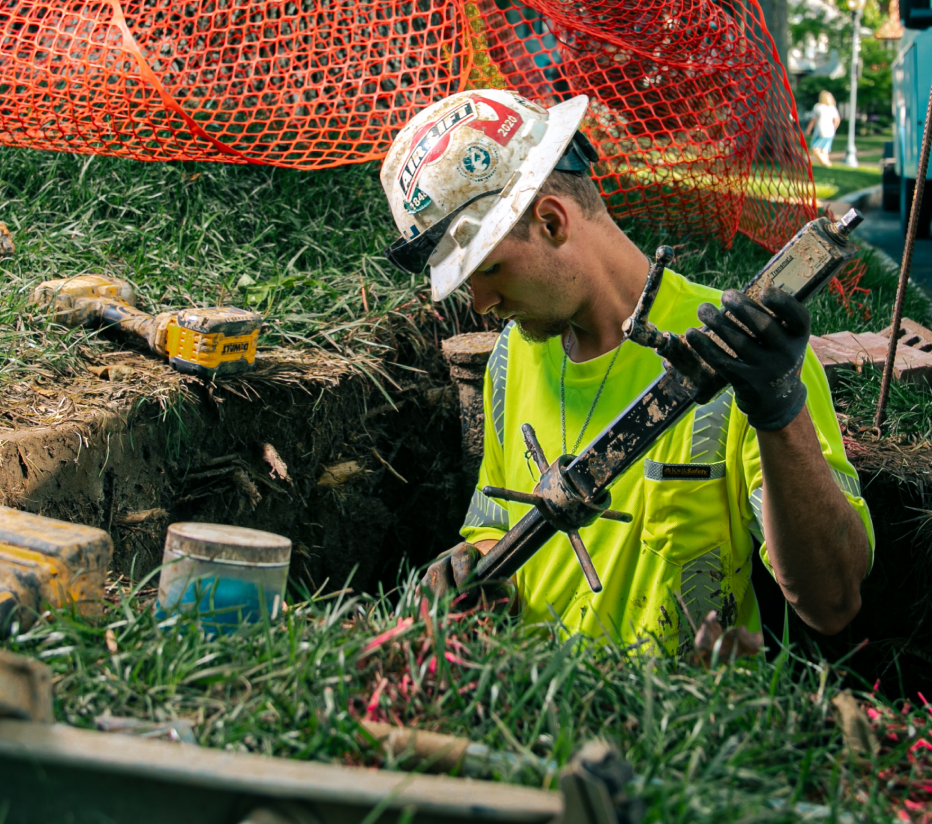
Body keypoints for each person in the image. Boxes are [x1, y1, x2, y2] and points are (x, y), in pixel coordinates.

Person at [380, 90, 873, 652]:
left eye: (489, 269)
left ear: (551, 221)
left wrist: (780, 413)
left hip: (689, 730)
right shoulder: (507, 358)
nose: (481, 302)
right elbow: (495, 525)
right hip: (531, 716)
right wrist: (475, 563)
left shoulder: (746, 354)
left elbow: (833, 604)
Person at [806, 91, 841, 168]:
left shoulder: (818, 106)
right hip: (830, 131)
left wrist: (808, 129)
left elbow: (813, 119)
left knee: (815, 149)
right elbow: (837, 119)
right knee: (825, 149)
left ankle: (824, 162)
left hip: (820, 130)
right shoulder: (832, 107)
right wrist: (834, 128)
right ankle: (825, 163)